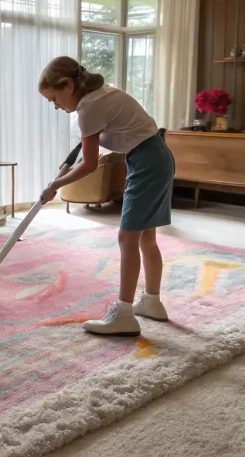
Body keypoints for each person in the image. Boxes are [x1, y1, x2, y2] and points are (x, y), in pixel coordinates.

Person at [38, 56, 174, 336]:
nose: (54, 106)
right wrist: (66, 169)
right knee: (146, 237)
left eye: (54, 98)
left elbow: (89, 165)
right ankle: (152, 302)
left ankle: (124, 313)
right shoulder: (99, 96)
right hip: (157, 157)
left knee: (128, 237)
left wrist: (55, 185)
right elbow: (90, 147)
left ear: (68, 85)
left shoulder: (89, 106)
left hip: (147, 163)